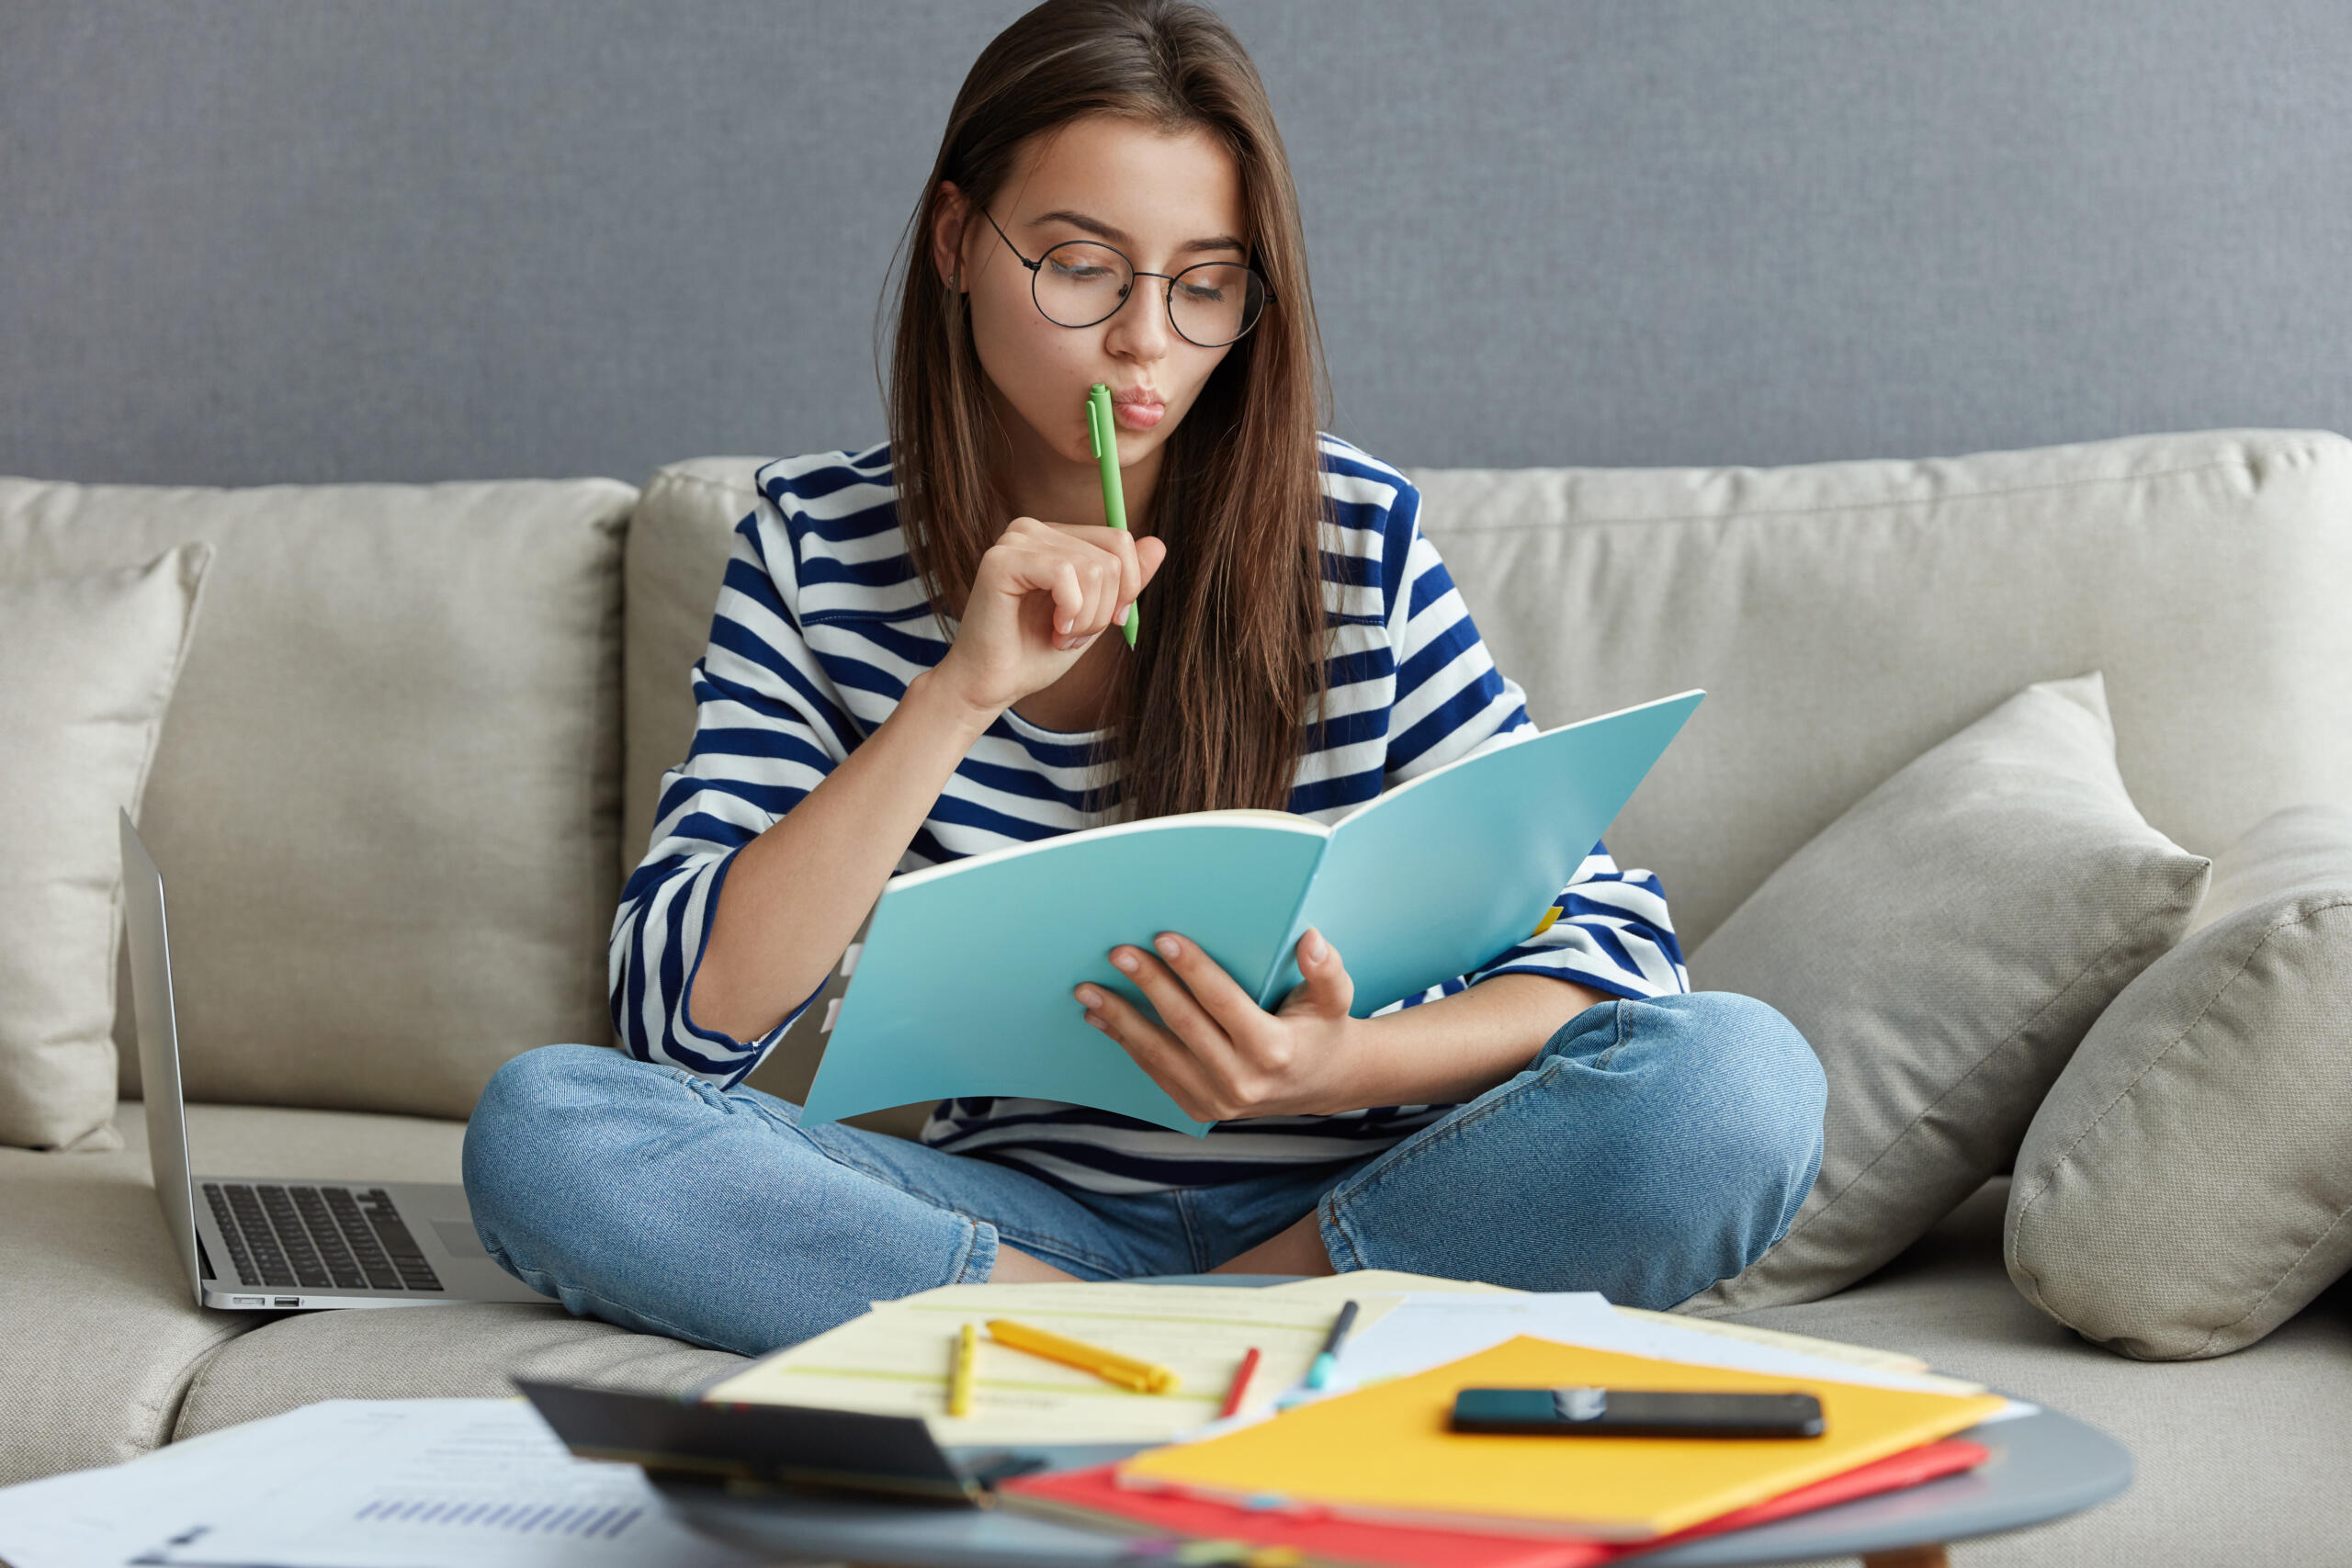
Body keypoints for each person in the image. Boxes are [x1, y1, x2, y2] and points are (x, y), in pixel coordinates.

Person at [462, 0, 1826, 1357]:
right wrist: (957, 695)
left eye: (1205, 283)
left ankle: (1135, 1344)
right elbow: (679, 1031)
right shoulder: (816, 548)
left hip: (1375, 1205)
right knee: (549, 1128)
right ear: (956, 242)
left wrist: (1330, 1069)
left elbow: (1612, 950)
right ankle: (1206, 1345)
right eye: (1081, 268)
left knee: (1736, 1084)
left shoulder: (1351, 536)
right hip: (1019, 1223)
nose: (1145, 342)